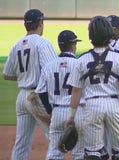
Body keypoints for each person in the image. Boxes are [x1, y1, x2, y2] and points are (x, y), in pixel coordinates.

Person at [65, 16, 119, 160]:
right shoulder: (118, 58)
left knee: (93, 152)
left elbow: (76, 91)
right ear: (109, 34)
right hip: (114, 105)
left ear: (90, 36)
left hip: (92, 106)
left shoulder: (82, 60)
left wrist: (72, 116)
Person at [2, 8, 57, 160]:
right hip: (38, 97)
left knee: (22, 142)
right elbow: (52, 71)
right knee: (56, 136)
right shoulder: (43, 43)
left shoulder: (17, 45)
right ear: (40, 23)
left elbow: (7, 74)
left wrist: (24, 77)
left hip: (22, 98)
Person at [35, 30, 85, 160]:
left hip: (57, 112)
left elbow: (41, 91)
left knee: (54, 153)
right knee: (79, 153)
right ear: (73, 45)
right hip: (77, 112)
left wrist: (50, 110)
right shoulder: (80, 64)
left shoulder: (49, 66)